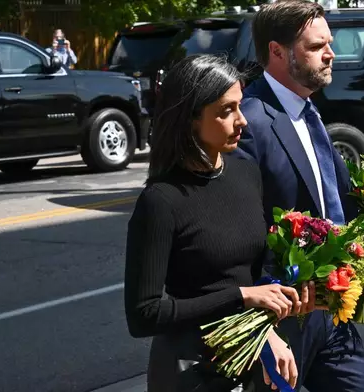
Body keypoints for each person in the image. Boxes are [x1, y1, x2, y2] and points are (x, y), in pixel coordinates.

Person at [124, 54, 303, 392]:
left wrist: (270, 328)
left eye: (241, 106)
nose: (243, 122)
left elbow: (253, 276)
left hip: (250, 356)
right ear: (190, 119)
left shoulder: (246, 171)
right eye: (226, 111)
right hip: (191, 370)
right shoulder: (161, 201)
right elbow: (143, 315)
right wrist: (242, 297)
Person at [231, 1, 364, 391]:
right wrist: (261, 330)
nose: (331, 53)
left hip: (330, 312)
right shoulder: (250, 121)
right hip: (281, 318)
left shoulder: (309, 113)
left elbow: (330, 200)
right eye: (316, 47)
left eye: (328, 43)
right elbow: (240, 230)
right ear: (278, 51)